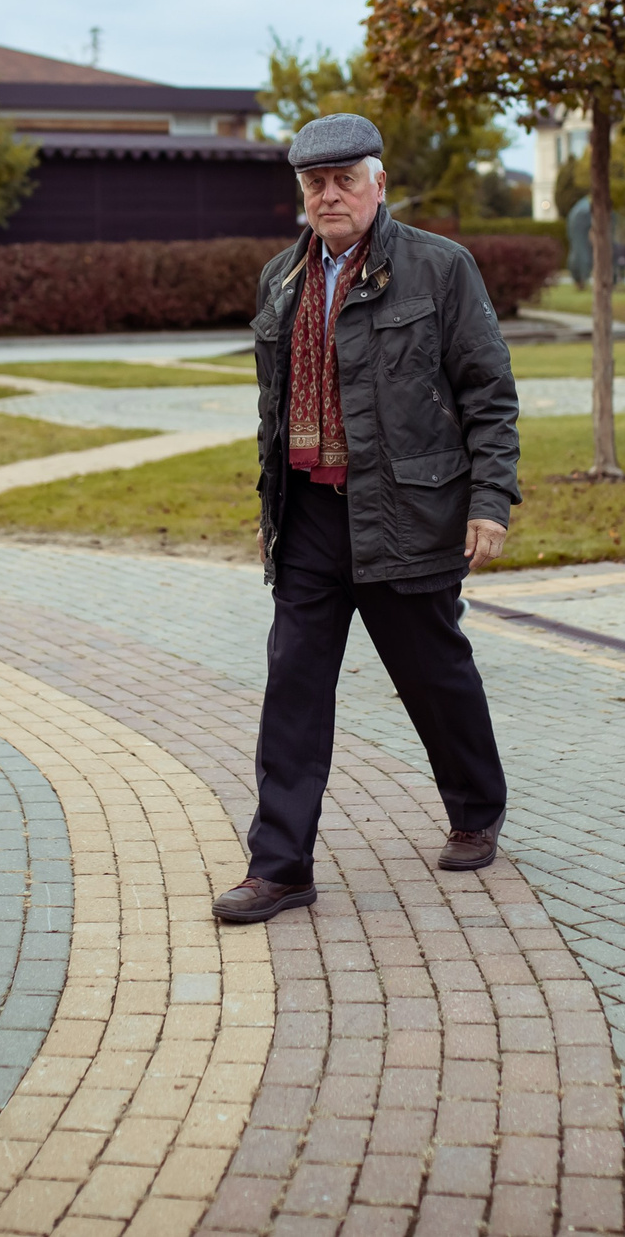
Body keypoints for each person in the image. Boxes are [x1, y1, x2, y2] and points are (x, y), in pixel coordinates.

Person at [212, 114, 523, 925]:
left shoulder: (439, 268)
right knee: (294, 689)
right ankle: (279, 866)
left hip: (410, 510)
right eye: (314, 182)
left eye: (345, 178)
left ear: (379, 185)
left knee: (434, 675)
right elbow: (272, 414)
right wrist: (269, 508)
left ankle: (476, 806)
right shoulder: (281, 280)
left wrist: (490, 501)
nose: (329, 194)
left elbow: (489, 396)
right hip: (311, 514)